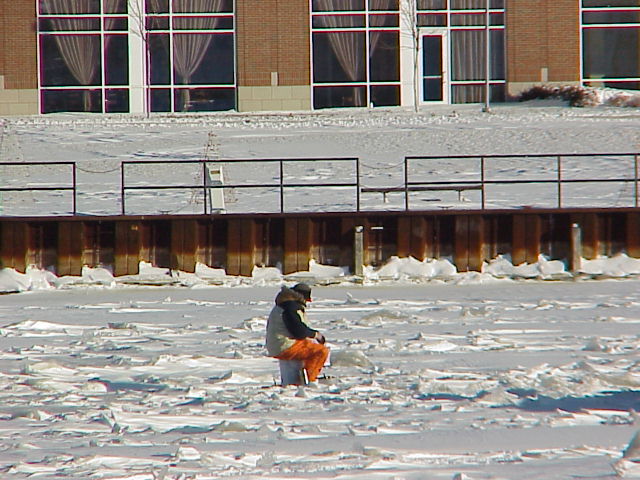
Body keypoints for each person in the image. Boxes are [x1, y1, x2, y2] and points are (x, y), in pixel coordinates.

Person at [265, 283, 329, 383]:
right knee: (320, 351)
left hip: (279, 343)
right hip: (284, 346)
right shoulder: (291, 307)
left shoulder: (285, 305)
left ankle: (303, 375)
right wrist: (316, 335)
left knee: (311, 345)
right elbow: (298, 331)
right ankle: (308, 379)